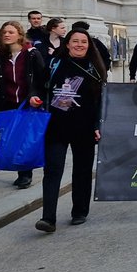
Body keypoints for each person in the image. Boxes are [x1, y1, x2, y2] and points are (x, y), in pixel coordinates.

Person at [35, 28, 105, 232]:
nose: (80, 45)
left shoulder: (95, 68)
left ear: (89, 45)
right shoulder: (54, 64)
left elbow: (101, 100)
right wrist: (34, 96)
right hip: (56, 126)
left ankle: (80, 211)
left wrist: (99, 126)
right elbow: (38, 85)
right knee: (52, 171)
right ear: (67, 44)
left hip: (85, 128)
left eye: (84, 42)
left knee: (82, 171)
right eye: (75, 41)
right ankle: (48, 218)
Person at [0, 21, 48, 189]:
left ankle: (25, 173)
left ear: (19, 35)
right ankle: (18, 169)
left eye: (11, 32)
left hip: (27, 104)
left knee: (24, 140)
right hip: (6, 103)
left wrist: (35, 96)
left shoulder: (31, 54)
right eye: (4, 32)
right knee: (9, 140)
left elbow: (42, 79)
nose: (7, 35)